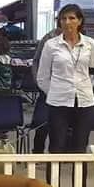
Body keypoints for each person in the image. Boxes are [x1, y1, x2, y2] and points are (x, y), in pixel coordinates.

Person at [36, 3, 94, 187]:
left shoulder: (90, 44)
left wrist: (85, 89)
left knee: (79, 150)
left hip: (84, 102)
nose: (67, 23)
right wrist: (54, 92)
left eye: (72, 18)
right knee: (56, 149)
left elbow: (91, 68)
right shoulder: (51, 45)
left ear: (80, 21)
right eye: (63, 19)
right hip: (58, 103)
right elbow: (42, 75)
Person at [30, 21, 61, 154]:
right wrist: (40, 82)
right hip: (47, 89)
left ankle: (63, 154)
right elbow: (36, 61)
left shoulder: (83, 38)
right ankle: (37, 152)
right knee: (41, 123)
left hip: (69, 92)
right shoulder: (48, 38)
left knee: (64, 126)